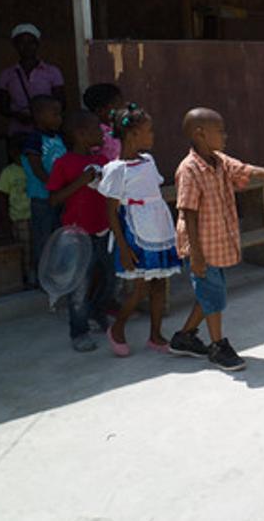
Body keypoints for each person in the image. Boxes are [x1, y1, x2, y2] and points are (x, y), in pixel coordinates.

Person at [169, 108, 264, 372]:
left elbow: (249, 170)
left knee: (209, 292)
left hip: (216, 241)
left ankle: (184, 337)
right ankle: (217, 346)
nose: (225, 135)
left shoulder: (219, 160)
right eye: (220, 130)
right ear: (200, 133)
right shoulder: (189, 169)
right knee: (213, 294)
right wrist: (197, 254)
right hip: (201, 243)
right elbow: (187, 212)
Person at [99, 105, 182, 356]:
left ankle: (155, 336)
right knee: (140, 287)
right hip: (136, 233)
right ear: (133, 134)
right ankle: (117, 328)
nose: (152, 135)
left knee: (159, 283)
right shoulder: (115, 170)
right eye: (148, 130)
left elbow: (152, 195)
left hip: (157, 230)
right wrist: (123, 247)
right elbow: (112, 211)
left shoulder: (148, 161)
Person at [46, 110, 112, 352]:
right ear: (81, 134)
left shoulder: (104, 161)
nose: (102, 134)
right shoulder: (63, 164)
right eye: (96, 129)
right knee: (79, 286)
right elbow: (54, 200)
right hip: (77, 235)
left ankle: (96, 313)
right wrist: (81, 182)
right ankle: (79, 331)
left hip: (104, 230)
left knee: (109, 278)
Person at [22, 95, 65, 277]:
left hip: (59, 196)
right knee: (43, 237)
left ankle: (55, 273)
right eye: (54, 114)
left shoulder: (59, 138)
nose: (59, 118)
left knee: (58, 235)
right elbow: (37, 167)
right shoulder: (34, 139)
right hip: (42, 197)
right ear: (39, 116)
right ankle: (41, 275)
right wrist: (52, 185)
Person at [0, 24, 65, 135]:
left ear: (37, 44)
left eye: (31, 42)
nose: (27, 46)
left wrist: (43, 114)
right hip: (18, 132)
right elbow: (2, 107)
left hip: (47, 131)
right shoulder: (7, 74)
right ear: (15, 45)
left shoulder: (53, 72)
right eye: (21, 43)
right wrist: (18, 115)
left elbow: (62, 102)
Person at [0, 134, 32, 284]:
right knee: (25, 250)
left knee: (36, 247)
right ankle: (26, 277)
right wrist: (5, 220)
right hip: (19, 217)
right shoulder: (8, 172)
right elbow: (2, 196)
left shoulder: (34, 169)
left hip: (35, 214)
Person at [82, 82, 124, 161]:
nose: (121, 110)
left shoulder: (115, 129)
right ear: (100, 111)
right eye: (117, 106)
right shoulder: (97, 132)